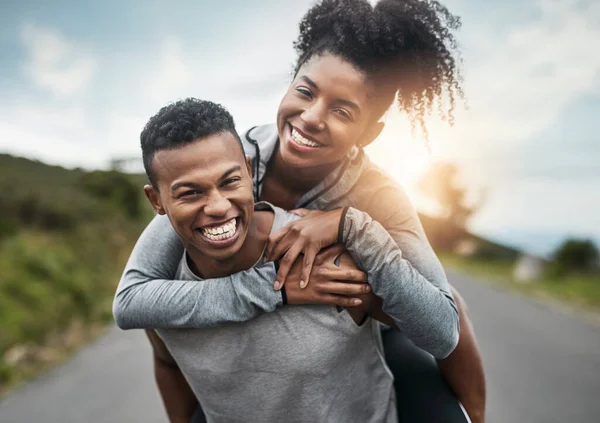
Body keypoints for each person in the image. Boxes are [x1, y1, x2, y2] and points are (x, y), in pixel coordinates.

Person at [114, 1, 485, 422]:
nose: (311, 118)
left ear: (370, 132)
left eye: (342, 111)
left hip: (367, 328)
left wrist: (349, 225)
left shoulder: (377, 197)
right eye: (305, 92)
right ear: (289, 83)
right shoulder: (233, 168)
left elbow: (444, 325)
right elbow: (135, 297)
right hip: (253, 346)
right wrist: (277, 287)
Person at [138, 97, 457, 422]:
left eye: (230, 181)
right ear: (156, 201)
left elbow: (439, 333)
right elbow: (167, 364)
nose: (218, 206)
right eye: (190, 193)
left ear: (249, 171)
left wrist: (360, 230)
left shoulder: (329, 262)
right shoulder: (161, 298)